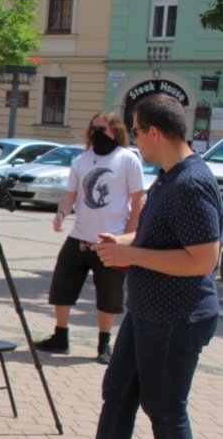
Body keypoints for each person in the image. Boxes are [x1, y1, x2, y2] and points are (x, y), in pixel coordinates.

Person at [40, 94, 222, 439]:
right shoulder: (169, 177)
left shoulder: (191, 182)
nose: (134, 139)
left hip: (176, 316)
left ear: (155, 132)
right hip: (147, 311)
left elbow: (203, 260)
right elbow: (153, 238)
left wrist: (135, 256)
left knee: (165, 409)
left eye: (138, 131)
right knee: (118, 393)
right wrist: (122, 243)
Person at [34, 112, 145, 364]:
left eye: (102, 129)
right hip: (79, 236)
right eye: (93, 128)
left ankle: (104, 344)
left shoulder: (128, 159)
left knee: (109, 293)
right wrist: (61, 213)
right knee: (61, 286)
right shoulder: (82, 160)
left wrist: (130, 231)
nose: (96, 133)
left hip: (112, 239)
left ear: (115, 132)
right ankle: (60, 336)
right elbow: (70, 195)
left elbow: (138, 198)